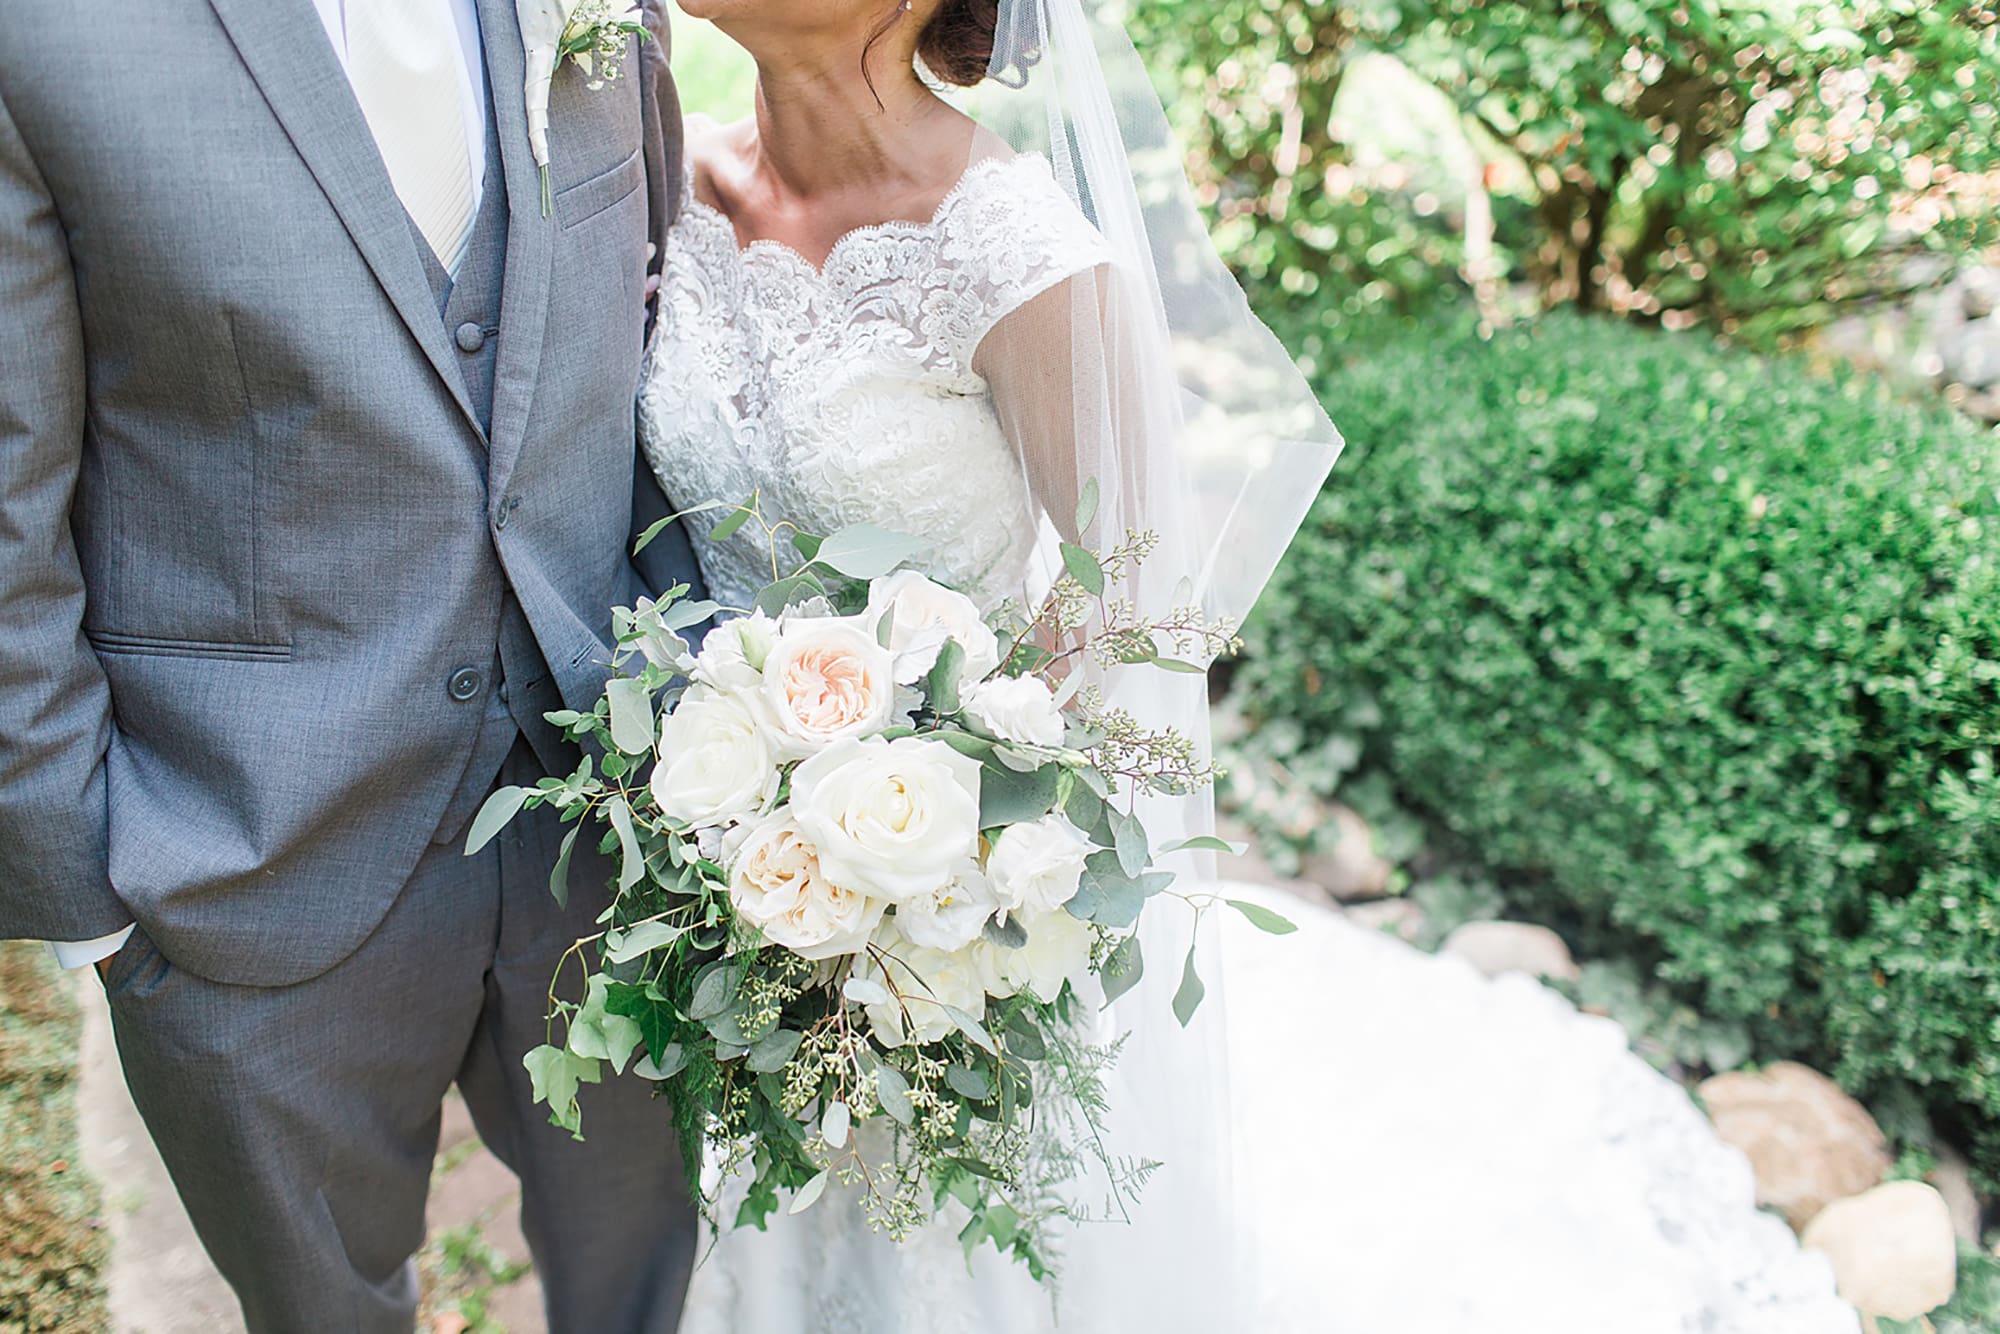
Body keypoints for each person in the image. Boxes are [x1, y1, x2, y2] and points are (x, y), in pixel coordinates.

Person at [0, 1, 701, 1328]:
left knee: (648, 1284)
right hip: (243, 865)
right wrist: (91, 899)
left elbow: (657, 333)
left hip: (619, 835)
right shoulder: (43, 34)